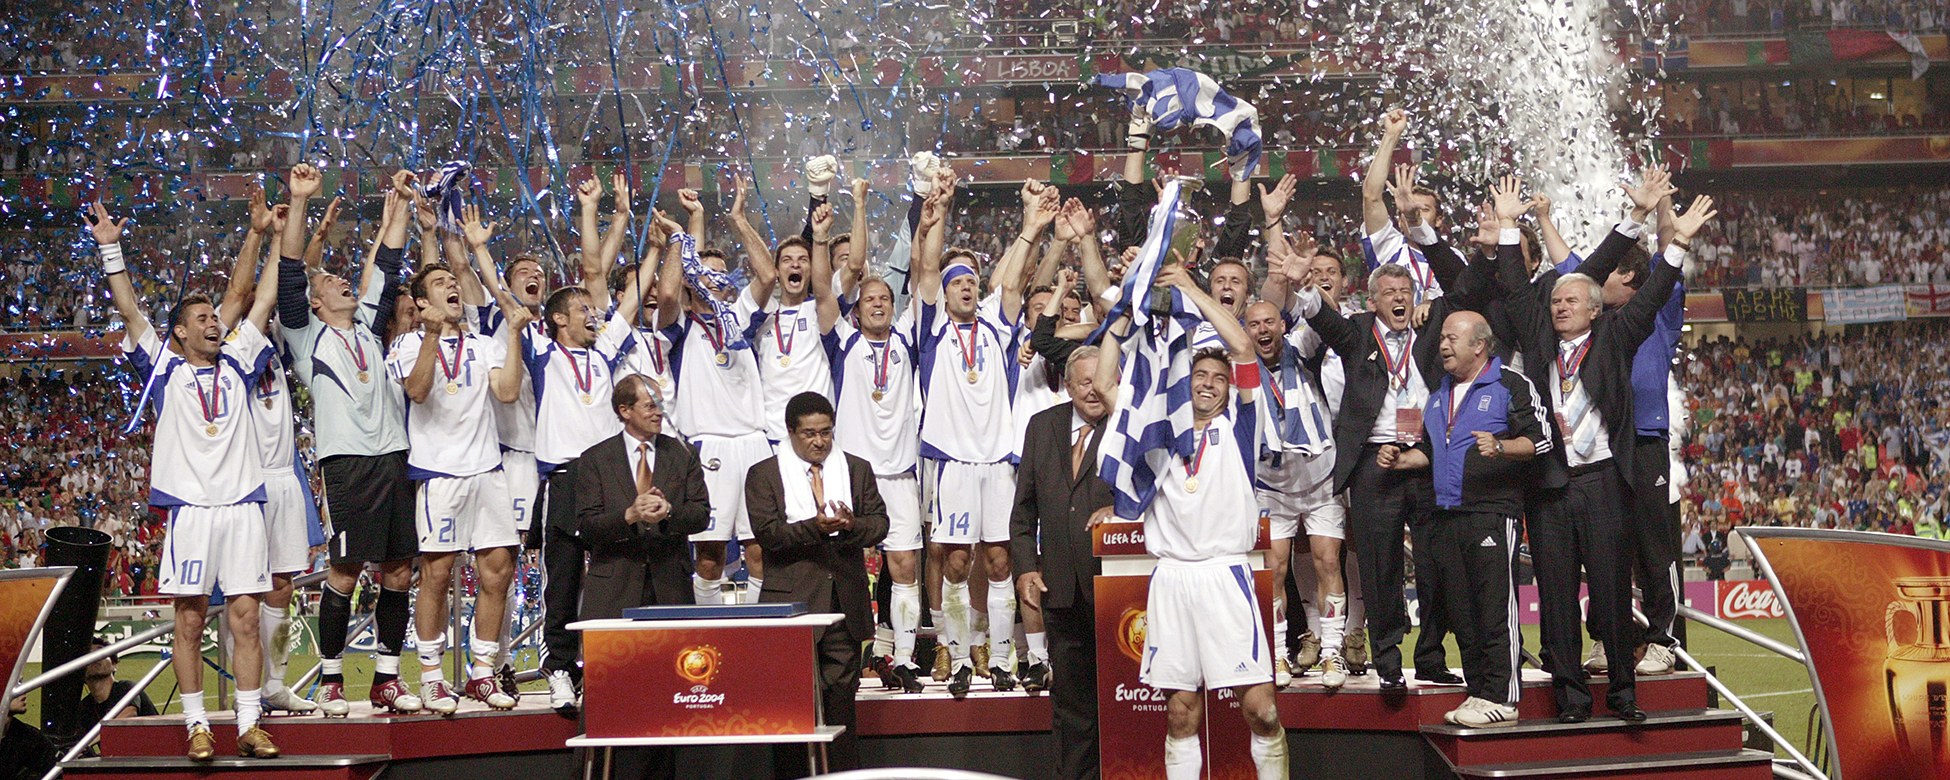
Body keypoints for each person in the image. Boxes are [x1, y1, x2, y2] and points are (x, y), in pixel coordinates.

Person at [1492, 173, 1714, 724]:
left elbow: (1654, 294)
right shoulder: (1540, 342)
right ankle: (1570, 698)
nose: (1559, 307)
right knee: (1557, 593)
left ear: (1595, 309)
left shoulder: (1616, 336)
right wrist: (1507, 227)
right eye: (1555, 300)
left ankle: (1622, 694)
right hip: (1550, 484)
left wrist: (1677, 245)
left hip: (1603, 481)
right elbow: (1516, 290)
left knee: (1612, 591)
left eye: (1571, 299)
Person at [94, 199, 282, 759]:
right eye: (201, 318)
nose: (214, 323)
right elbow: (131, 311)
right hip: (192, 511)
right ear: (179, 331)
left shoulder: (240, 362)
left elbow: (261, 297)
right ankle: (197, 724)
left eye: (215, 318)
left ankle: (249, 723)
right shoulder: (164, 369)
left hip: (243, 506)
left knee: (246, 618)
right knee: (191, 622)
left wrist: (274, 232)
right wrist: (111, 249)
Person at [1101, 262, 1286, 780]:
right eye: (1199, 376)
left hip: (1225, 574)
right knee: (1180, 713)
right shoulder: (1156, 433)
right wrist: (1124, 314)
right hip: (1172, 578)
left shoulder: (1241, 426)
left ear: (1229, 389)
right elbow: (1105, 381)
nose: (1207, 385)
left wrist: (1189, 288)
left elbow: (1243, 348)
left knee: (1261, 709)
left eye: (1217, 379)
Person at [278, 166, 420, 717]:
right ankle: (332, 679)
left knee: (399, 569)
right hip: (347, 465)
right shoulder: (305, 335)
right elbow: (292, 269)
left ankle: (387, 677)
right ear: (314, 303)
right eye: (331, 281)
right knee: (345, 570)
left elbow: (388, 262)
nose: (343, 282)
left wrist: (401, 201)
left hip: (393, 458)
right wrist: (299, 200)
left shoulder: (367, 328)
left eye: (343, 279)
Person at [1376, 310, 1548, 727]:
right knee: (1464, 613)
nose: (1443, 344)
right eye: (1442, 338)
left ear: (1480, 345)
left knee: (1495, 607)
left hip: (1492, 512)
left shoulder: (1510, 384)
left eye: (1453, 337)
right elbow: (1433, 451)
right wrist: (1401, 460)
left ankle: (1503, 697)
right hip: (1446, 514)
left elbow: (1541, 441)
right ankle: (1479, 692)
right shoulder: (1439, 394)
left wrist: (1502, 447)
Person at [909, 179, 1042, 695]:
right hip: (954, 463)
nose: (965, 288)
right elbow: (926, 269)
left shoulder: (996, 328)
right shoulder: (931, 330)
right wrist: (939, 211)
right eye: (956, 283)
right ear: (944, 293)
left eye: (971, 282)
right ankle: (962, 657)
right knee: (958, 561)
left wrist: (1031, 223)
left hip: (997, 462)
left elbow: (1013, 284)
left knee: (1001, 560)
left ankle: (1003, 659)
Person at [388, 261, 528, 714]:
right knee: (437, 574)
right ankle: (431, 678)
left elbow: (507, 392)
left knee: (498, 572)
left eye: (453, 282)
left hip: (487, 470)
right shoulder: (408, 343)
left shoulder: (484, 344)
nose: (452, 287)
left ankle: (482, 673)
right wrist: (431, 334)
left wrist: (513, 334)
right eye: (440, 283)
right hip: (439, 473)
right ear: (422, 301)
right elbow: (418, 390)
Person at [573, 374, 712, 780]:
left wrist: (669, 514)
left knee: (670, 691)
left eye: (660, 404)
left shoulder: (680, 455)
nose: (658, 412)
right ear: (625, 410)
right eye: (649, 405)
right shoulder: (595, 459)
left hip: (669, 588)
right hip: (613, 591)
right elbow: (586, 526)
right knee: (607, 695)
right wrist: (628, 516)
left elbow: (700, 514)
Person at [747, 392, 889, 777]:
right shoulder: (764, 474)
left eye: (826, 432)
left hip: (843, 604)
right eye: (809, 434)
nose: (819, 441)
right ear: (791, 432)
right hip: (792, 608)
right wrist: (816, 527)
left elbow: (880, 524)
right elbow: (769, 534)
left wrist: (851, 525)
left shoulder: (856, 468)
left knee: (841, 707)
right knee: (791, 710)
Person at [657, 175, 776, 607]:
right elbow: (666, 292)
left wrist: (739, 219)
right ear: (693, 281)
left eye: (721, 275)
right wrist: (680, 235)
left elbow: (768, 274)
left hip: (754, 443)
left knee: (761, 549)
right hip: (708, 445)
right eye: (705, 274)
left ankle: (759, 630)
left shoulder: (739, 317)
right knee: (709, 555)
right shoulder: (679, 326)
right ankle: (707, 629)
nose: (715, 280)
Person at [1010, 344, 1116, 779]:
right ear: (1068, 386)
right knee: (1072, 706)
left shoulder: (1126, 427)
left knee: (1122, 698)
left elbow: (1153, 491)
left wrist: (1122, 511)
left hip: (1116, 592)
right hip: (1060, 591)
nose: (1093, 391)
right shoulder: (1042, 426)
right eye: (1084, 382)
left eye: (1101, 382)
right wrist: (1025, 567)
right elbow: (1023, 509)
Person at [830, 262, 926, 691]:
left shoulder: (906, 339)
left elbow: (924, 274)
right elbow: (826, 290)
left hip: (900, 473)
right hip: (854, 474)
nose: (877, 304)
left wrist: (926, 226)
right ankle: (848, 657)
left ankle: (903, 658)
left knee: (904, 566)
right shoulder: (845, 340)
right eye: (869, 299)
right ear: (856, 309)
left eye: (885, 298)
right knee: (848, 566)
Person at [74, 636, 160, 755]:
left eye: (100, 652)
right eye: (88, 655)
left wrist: (84, 744)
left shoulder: (126, 687)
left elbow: (127, 714)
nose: (94, 657)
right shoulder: (85, 707)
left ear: (114, 665)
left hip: (154, 758)